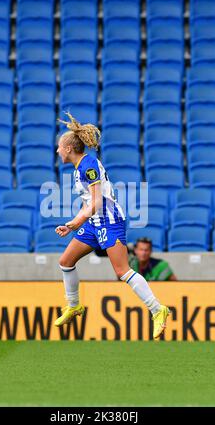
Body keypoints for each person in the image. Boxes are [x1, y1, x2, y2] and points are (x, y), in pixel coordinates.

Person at [54, 112, 170, 340]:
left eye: (59, 147)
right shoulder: (79, 169)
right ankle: (74, 306)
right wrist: (72, 225)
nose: (57, 151)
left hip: (110, 220)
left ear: (68, 148)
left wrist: (77, 222)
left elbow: (97, 203)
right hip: (95, 222)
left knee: (121, 270)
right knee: (65, 261)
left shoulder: (88, 166)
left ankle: (158, 310)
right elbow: (89, 202)